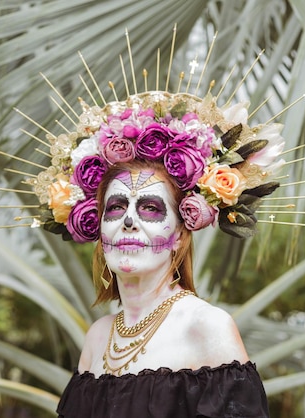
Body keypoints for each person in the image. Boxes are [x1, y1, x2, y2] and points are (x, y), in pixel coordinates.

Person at [55, 159, 270, 417]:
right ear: (101, 230)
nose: (128, 220)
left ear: (179, 235)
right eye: (116, 207)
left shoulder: (207, 326)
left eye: (149, 208)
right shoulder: (98, 336)